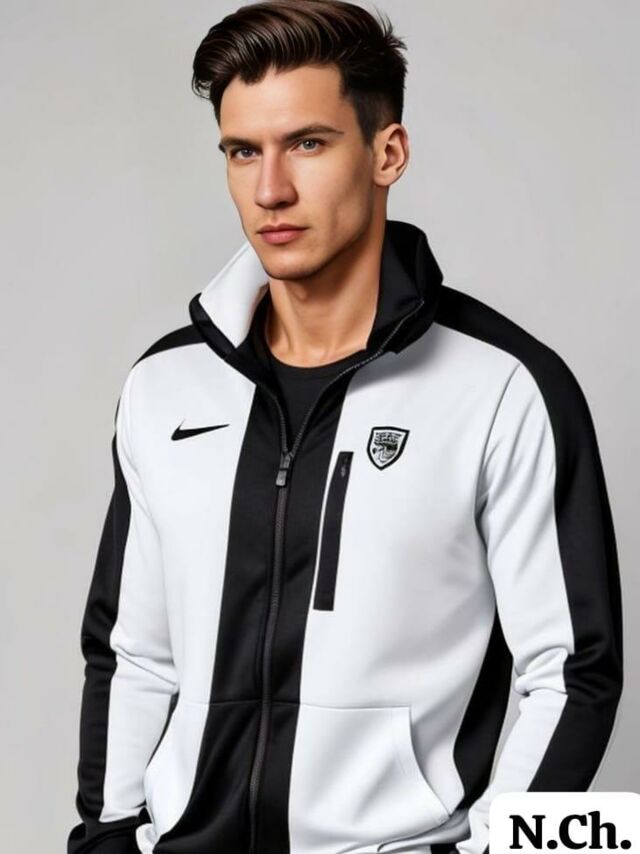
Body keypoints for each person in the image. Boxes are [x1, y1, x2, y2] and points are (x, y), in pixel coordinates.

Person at [67, 1, 623, 853]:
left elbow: (572, 671)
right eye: (243, 151)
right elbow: (132, 654)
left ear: (387, 153)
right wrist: (105, 838)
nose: (270, 190)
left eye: (308, 144)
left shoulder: (504, 387)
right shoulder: (164, 386)